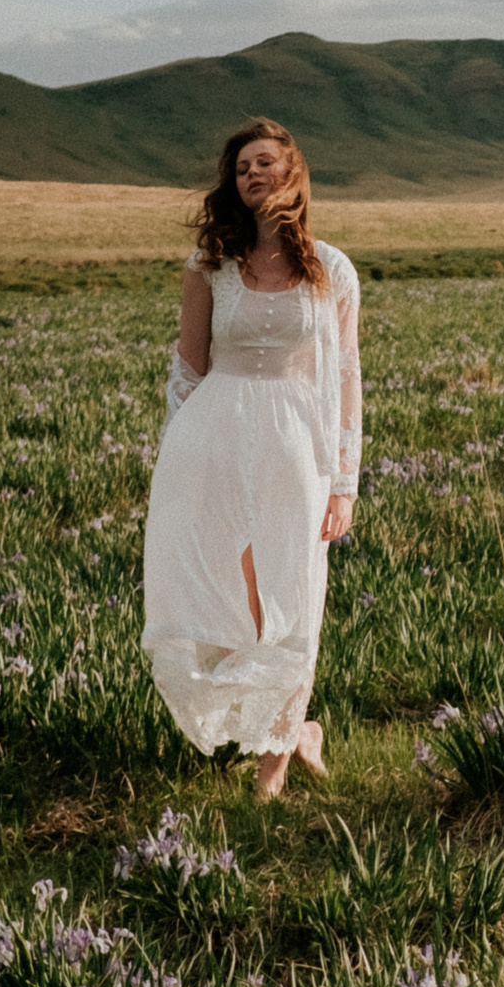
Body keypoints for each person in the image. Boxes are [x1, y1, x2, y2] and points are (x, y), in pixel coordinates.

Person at [140, 118, 362, 799]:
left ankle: (274, 765)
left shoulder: (332, 268)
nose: (253, 174)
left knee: (291, 592)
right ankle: (294, 726)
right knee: (235, 598)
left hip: (295, 442)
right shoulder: (210, 266)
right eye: (242, 168)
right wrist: (178, 458)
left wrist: (344, 482)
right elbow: (189, 367)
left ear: (292, 171)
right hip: (216, 437)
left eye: (265, 162)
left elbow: (347, 376)